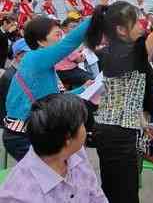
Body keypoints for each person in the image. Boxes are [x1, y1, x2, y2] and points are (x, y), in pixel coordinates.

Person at [84, 0, 153, 203]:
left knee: (112, 189)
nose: (142, 26)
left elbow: (126, 93)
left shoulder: (107, 51)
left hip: (107, 129)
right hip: (120, 135)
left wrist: (140, 121)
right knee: (126, 194)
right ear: (121, 30)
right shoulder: (134, 52)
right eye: (137, 22)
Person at [3, 16, 91, 161]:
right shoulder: (35, 58)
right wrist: (96, 18)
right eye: (57, 35)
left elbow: (55, 98)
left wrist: (83, 89)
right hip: (22, 137)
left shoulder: (45, 65)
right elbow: (69, 43)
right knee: (47, 175)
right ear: (41, 41)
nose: (61, 39)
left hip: (32, 132)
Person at [0, 93, 108, 203]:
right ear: (68, 138)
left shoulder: (76, 153)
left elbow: (96, 196)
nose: (85, 129)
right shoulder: (19, 196)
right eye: (82, 125)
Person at [55, 18, 93, 89]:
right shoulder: (66, 41)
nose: (76, 29)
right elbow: (78, 59)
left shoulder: (67, 40)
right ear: (64, 28)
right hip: (67, 72)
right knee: (91, 79)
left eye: (77, 27)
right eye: (73, 27)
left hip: (67, 71)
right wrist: (81, 53)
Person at [0, 39, 30, 124]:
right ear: (17, 56)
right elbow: (12, 103)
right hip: (12, 121)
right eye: (27, 54)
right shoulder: (11, 76)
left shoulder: (23, 70)